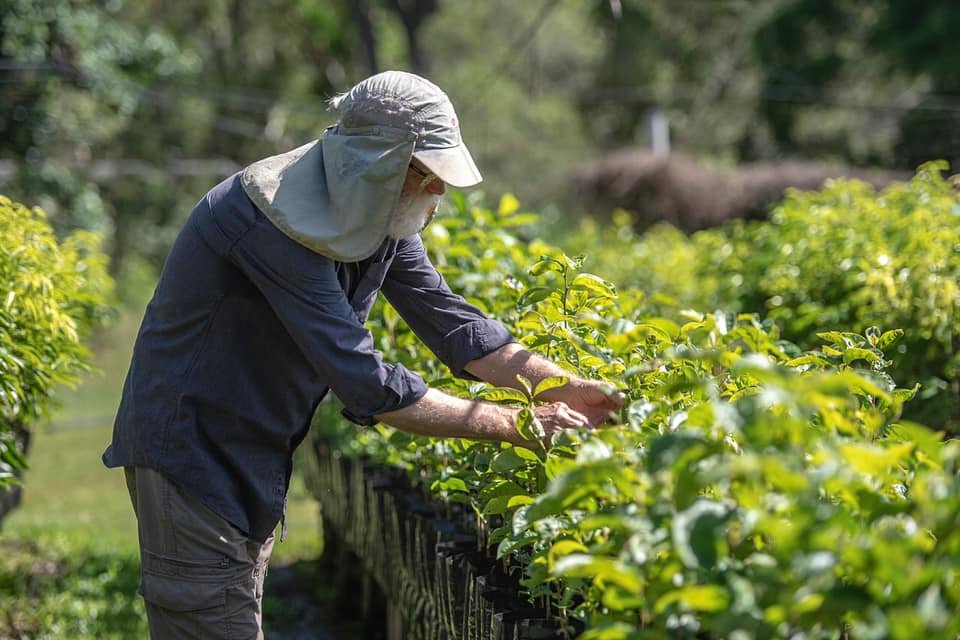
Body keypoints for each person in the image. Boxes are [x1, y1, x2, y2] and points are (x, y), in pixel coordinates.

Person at [102, 70, 623, 639]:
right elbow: (365, 382)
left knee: (231, 607)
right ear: (378, 164)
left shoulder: (370, 213)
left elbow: (453, 324)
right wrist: (519, 424)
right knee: (214, 614)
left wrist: (562, 387)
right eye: (427, 175)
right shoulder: (269, 220)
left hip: (249, 452)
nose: (438, 193)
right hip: (194, 454)